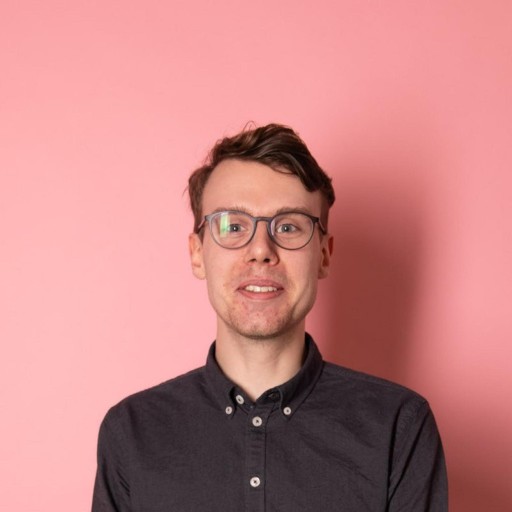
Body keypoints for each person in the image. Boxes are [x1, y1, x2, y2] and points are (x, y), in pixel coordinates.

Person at [92, 123, 448, 511]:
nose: (261, 250)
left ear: (324, 255)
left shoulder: (399, 427)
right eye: (233, 226)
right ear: (197, 253)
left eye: (289, 226)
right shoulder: (131, 432)